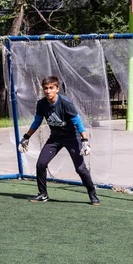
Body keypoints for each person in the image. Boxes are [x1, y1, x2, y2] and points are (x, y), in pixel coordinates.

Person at [18, 76, 100, 206]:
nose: (48, 91)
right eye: (46, 88)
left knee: (80, 168)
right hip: (55, 138)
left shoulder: (66, 103)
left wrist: (85, 140)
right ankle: (43, 194)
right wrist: (26, 137)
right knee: (41, 164)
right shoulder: (41, 104)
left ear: (57, 89)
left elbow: (77, 122)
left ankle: (92, 193)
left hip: (72, 138)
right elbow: (37, 121)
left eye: (51, 88)